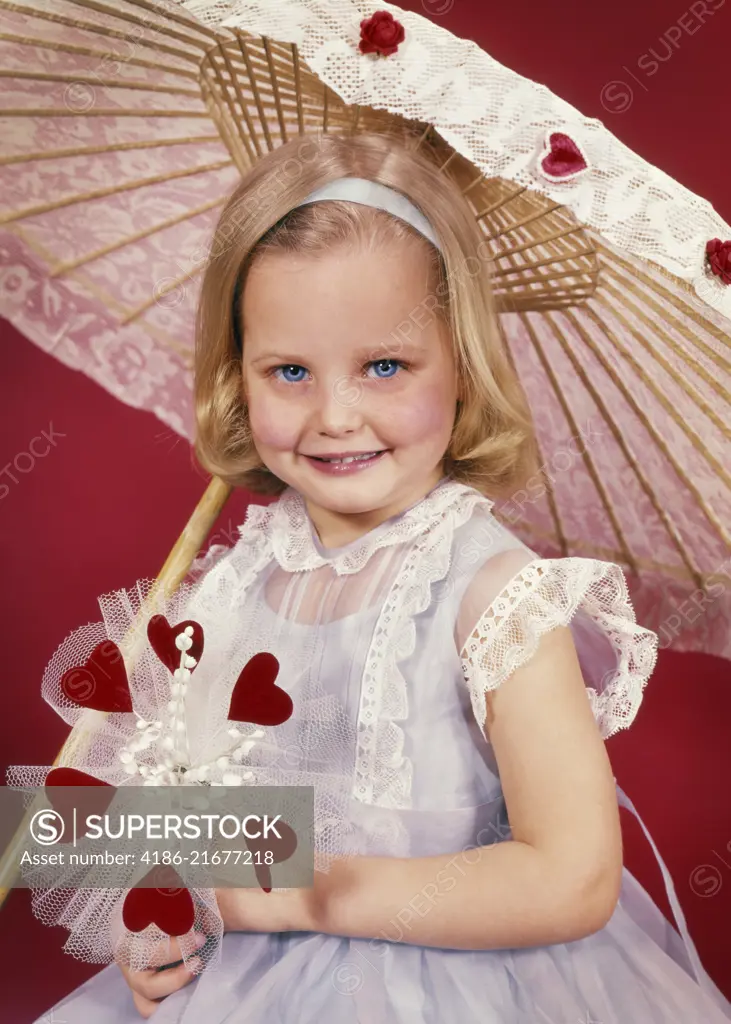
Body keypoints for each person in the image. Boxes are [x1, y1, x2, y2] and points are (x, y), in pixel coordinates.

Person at [37, 131, 731, 1023]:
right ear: (236, 379)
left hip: (455, 989)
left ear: (463, 374)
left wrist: (303, 894)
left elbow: (573, 876)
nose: (334, 415)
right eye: (288, 370)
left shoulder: (493, 597)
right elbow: (201, 813)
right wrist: (162, 922)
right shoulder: (230, 581)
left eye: (384, 366)